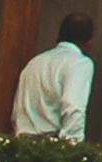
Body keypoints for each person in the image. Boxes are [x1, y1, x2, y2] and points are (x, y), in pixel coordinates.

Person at [9, 10, 95, 140]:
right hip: (51, 146)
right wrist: (72, 147)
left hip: (22, 143)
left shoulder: (35, 62)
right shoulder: (79, 63)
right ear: (88, 41)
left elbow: (18, 109)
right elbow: (73, 106)